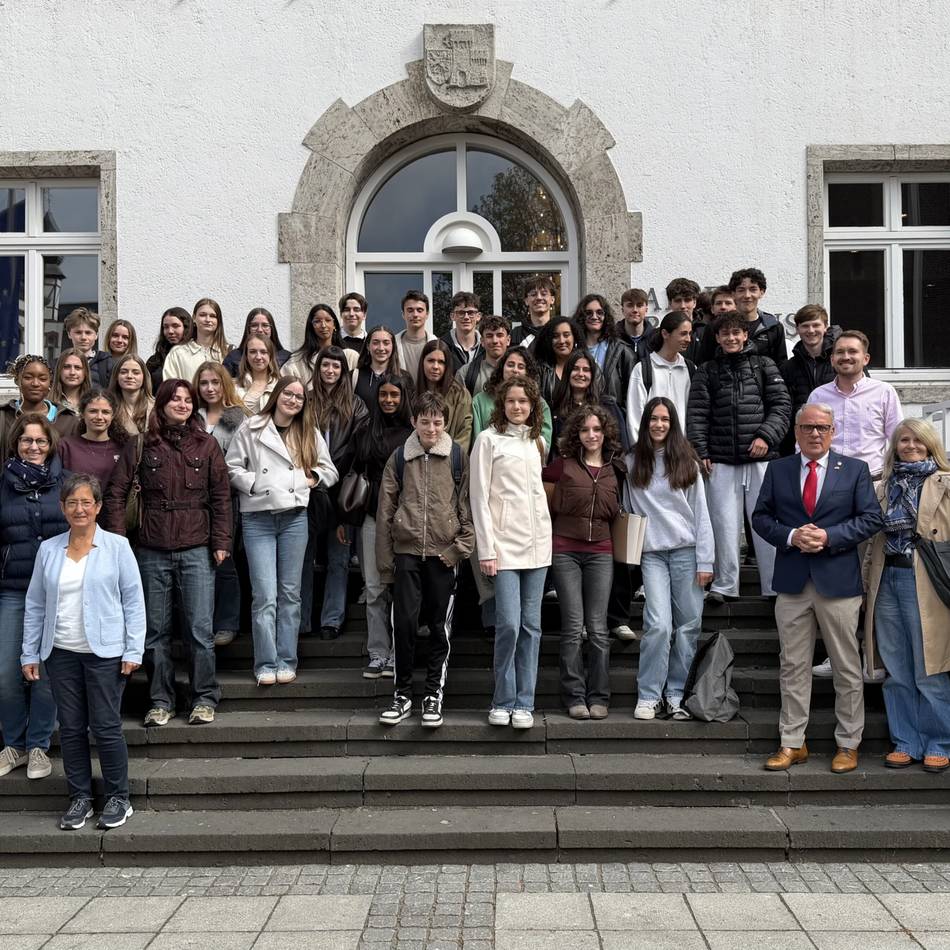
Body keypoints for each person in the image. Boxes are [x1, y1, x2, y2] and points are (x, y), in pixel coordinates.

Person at [752, 403, 883, 773]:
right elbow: (761, 517)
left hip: (838, 581)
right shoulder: (778, 469)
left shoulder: (854, 470)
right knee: (793, 665)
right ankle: (792, 742)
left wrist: (828, 537)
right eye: (808, 427)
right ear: (796, 431)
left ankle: (848, 743)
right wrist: (792, 535)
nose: (815, 433)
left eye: (822, 428)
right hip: (793, 582)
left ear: (833, 432)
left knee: (846, 666)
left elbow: (871, 518)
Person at [102, 379, 232, 727]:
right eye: (175, 399)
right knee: (154, 632)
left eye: (188, 400)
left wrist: (221, 541)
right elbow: (116, 494)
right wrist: (118, 542)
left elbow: (221, 496)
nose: (182, 404)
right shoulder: (141, 444)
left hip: (197, 548)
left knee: (200, 630)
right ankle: (161, 700)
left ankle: (204, 698)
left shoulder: (207, 445)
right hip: (151, 549)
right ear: (161, 404)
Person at [20, 473, 145, 830]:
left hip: (105, 653)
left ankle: (118, 797)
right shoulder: (49, 550)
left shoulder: (117, 547)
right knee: (72, 728)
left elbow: (133, 601)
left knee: (105, 726)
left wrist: (133, 649)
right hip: (60, 653)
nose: (79, 509)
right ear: (62, 508)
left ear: (98, 507)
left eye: (86, 502)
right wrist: (29, 653)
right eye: (72, 503)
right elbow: (35, 604)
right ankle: (80, 798)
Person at [227, 377, 338, 685]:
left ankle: (287, 659)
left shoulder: (308, 431)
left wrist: (309, 479)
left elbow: (329, 470)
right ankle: (265, 662)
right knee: (264, 595)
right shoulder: (251, 427)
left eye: (299, 397)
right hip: (257, 518)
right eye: (288, 393)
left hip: (294, 518)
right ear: (276, 395)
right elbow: (231, 467)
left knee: (290, 593)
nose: (293, 400)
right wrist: (255, 484)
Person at [375, 391, 475, 728]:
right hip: (406, 554)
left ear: (445, 423)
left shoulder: (457, 457)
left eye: (437, 422)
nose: (431, 428)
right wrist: (386, 565)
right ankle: (402, 694)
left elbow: (467, 508)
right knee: (403, 625)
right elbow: (385, 511)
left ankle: (433, 694)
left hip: (443, 557)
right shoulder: (400, 457)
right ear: (413, 422)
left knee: (438, 628)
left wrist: (458, 550)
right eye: (425, 422)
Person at [864, 419, 950, 773]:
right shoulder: (883, 487)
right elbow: (873, 540)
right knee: (896, 669)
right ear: (895, 446)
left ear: (930, 445)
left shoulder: (945, 483)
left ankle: (939, 742)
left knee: (930, 667)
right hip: (887, 577)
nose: (911, 445)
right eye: (903, 440)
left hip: (926, 580)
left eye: (918, 440)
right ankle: (905, 741)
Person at [687, 312, 791, 601]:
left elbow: (782, 406)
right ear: (717, 338)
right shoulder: (706, 371)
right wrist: (701, 451)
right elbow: (697, 414)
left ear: (745, 335)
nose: (731, 338)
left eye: (736, 333)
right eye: (725, 333)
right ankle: (724, 585)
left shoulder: (764, 365)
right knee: (723, 525)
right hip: (720, 460)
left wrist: (766, 436)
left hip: (761, 459)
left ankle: (773, 586)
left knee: (766, 524)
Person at [470, 375, 552, 728]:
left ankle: (524, 703)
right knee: (508, 625)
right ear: (501, 404)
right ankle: (502, 700)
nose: (517, 407)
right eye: (511, 401)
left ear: (533, 406)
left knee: (532, 626)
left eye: (523, 401)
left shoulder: (538, 442)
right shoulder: (487, 440)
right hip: (502, 548)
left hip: (538, 547)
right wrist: (486, 549)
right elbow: (479, 497)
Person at [628, 397, 714, 720]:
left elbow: (702, 515)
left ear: (673, 424)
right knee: (659, 625)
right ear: (645, 422)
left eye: (665, 419)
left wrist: (706, 561)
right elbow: (628, 509)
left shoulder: (687, 462)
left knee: (689, 626)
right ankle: (649, 694)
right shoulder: (632, 462)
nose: (659, 424)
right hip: (651, 555)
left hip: (686, 553)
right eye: (653, 418)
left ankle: (676, 693)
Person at [542, 404, 625, 720]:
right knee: (573, 627)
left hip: (601, 552)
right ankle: (575, 695)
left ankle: (599, 696)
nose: (591, 435)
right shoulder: (561, 466)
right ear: (576, 434)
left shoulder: (616, 469)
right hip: (565, 551)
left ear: (605, 433)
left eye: (597, 429)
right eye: (585, 429)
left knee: (599, 628)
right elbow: (541, 500)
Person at [0, 413, 68, 781]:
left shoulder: (66, 483)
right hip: (12, 589)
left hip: (55, 591)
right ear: (16, 444)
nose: (34, 447)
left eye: (40, 441)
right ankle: (14, 743)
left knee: (44, 671)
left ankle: (38, 744)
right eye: (27, 440)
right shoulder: (3, 484)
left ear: (50, 444)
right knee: (5, 674)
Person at [342, 374, 413, 678]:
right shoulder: (364, 430)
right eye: (383, 395)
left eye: (394, 395)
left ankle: (399, 653)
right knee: (374, 588)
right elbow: (352, 470)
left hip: (405, 520)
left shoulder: (414, 434)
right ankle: (378, 652)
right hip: (372, 517)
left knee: (401, 589)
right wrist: (345, 520)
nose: (388, 400)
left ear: (403, 397)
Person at [304, 346, 368, 639]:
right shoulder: (305, 400)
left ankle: (332, 619)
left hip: (342, 491)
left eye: (336, 366)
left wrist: (335, 475)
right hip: (308, 489)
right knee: (303, 559)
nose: (330, 371)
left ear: (344, 371)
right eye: (325, 366)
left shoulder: (356, 405)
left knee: (338, 558)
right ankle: (302, 620)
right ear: (318, 369)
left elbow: (358, 448)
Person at [194, 361, 249, 649]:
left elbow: (246, 460)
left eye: (215, 382)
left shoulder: (239, 418)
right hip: (192, 500)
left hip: (226, 499)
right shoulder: (192, 416)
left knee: (224, 559)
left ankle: (227, 622)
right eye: (204, 383)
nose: (210, 388)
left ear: (224, 384)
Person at [807, 330, 902, 481]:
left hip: (872, 480)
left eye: (852, 351)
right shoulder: (818, 396)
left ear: (865, 359)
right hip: (828, 481)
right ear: (832, 359)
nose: (846, 357)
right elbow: (805, 440)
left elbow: (897, 439)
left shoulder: (884, 392)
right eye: (840, 352)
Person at [779, 304, 841, 456]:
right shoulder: (788, 367)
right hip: (801, 441)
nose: (811, 330)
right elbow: (784, 407)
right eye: (805, 326)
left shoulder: (840, 362)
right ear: (797, 329)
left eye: (816, 325)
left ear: (825, 327)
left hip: (837, 439)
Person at [626, 311, 695, 444]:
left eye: (689, 333)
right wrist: (641, 451)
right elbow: (635, 417)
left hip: (682, 451)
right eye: (683, 334)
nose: (688, 339)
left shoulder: (691, 369)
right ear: (665, 334)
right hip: (650, 452)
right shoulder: (642, 369)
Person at [696, 267, 788, 367]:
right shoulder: (716, 326)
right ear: (733, 294)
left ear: (761, 292)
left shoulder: (773, 327)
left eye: (753, 289)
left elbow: (781, 365)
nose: (747, 295)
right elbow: (704, 365)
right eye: (741, 290)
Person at [549, 349, 629, 461]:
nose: (580, 374)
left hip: (603, 468)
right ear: (567, 373)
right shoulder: (557, 409)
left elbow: (622, 446)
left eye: (586, 370)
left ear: (592, 375)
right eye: (575, 369)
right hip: (567, 469)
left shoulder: (608, 406)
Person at [471, 346, 553, 448]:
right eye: (510, 365)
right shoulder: (480, 401)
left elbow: (544, 444)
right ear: (502, 368)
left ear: (528, 372)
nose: (515, 370)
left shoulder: (539, 403)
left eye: (521, 367)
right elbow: (477, 441)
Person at [58, 389, 131, 489]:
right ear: (82, 414)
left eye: (105, 412)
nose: (99, 417)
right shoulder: (65, 446)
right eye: (93, 411)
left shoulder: (123, 447)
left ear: (113, 415)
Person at [572, 294, 637, 404]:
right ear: (581, 316)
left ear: (606, 316)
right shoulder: (573, 349)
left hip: (610, 412)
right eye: (588, 313)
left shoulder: (622, 351)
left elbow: (631, 394)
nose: (594, 317)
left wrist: (620, 412)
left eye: (599, 312)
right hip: (578, 410)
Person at [416, 339, 473, 452]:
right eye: (431, 360)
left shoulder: (460, 394)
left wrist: (448, 457)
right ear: (423, 362)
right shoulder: (414, 392)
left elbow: (464, 433)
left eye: (441, 362)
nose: (435, 366)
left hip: (449, 458)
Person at [282, 303, 359, 385]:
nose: (323, 325)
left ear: (334, 325)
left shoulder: (350, 357)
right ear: (311, 326)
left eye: (328, 320)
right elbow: (282, 385)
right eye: (317, 321)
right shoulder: (298, 360)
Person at [0, 355, 58, 459]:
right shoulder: (3, 417)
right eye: (28, 377)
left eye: (42, 379)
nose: (35, 383)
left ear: (50, 382)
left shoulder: (67, 420)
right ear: (17, 380)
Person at [163, 298, 231, 381]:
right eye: (202, 315)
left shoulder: (228, 352)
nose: (207, 320)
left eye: (212, 316)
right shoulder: (178, 353)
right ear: (194, 318)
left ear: (218, 321)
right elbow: (170, 386)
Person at [222, 307, 291, 377]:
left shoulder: (286, 357)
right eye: (254, 325)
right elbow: (224, 382)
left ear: (272, 329)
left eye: (265, 325)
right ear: (248, 329)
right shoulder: (233, 357)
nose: (260, 330)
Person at [352, 325, 411, 406]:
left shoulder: (404, 377)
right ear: (368, 346)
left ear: (393, 346)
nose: (381, 348)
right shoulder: (354, 376)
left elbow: (409, 410)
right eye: (375, 343)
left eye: (386, 343)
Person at [456, 315, 512, 398]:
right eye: (489, 336)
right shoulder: (465, 373)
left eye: (499, 335)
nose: (495, 341)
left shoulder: (519, 371)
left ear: (508, 340)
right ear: (482, 341)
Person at [532, 315, 582, 403]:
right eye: (555, 336)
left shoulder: (588, 367)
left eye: (566, 335)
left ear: (574, 338)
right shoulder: (540, 370)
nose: (561, 341)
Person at [394, 291, 436, 388]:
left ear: (427, 314)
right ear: (403, 314)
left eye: (420, 310)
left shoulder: (437, 345)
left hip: (429, 396)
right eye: (410, 310)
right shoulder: (393, 345)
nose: (415, 314)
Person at [146, 307, 193, 392]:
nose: (170, 331)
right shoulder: (154, 361)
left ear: (186, 327)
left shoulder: (195, 356)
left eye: (175, 326)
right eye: (166, 327)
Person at [50, 348, 92, 439]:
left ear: (85, 372)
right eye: (66, 367)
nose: (72, 372)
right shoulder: (48, 403)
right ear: (59, 370)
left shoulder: (93, 402)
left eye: (77, 368)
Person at [108, 354, 154, 436]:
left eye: (136, 373)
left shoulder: (156, 406)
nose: (129, 376)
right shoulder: (107, 406)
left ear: (144, 377)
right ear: (116, 376)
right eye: (123, 372)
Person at [64, 308, 111, 387]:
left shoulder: (107, 363)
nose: (83, 337)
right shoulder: (59, 364)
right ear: (69, 334)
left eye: (88, 333)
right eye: (78, 332)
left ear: (96, 335)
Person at [235, 334, 281, 413]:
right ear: (246, 356)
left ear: (270, 355)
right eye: (253, 352)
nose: (258, 357)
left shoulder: (280, 386)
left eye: (263, 352)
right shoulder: (234, 387)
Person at [664, 278, 703, 364]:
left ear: (694, 302)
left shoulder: (705, 331)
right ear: (670, 303)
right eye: (678, 301)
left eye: (687, 300)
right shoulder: (661, 333)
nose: (683, 306)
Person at [440, 291, 482, 372]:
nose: (466, 317)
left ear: (478, 316)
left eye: (471, 313)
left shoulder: (486, 346)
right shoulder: (442, 346)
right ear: (452, 316)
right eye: (461, 313)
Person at [511, 276, 557, 347]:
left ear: (552, 299)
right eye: (533, 294)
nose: (539, 298)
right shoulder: (516, 334)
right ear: (526, 301)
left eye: (544, 294)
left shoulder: (559, 331)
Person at [617, 287, 654, 361]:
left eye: (639, 305)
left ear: (646, 309)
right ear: (622, 310)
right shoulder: (612, 339)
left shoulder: (655, 338)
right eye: (630, 305)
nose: (635, 310)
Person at [99, 318, 139, 383]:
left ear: (131, 341)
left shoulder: (138, 366)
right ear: (108, 338)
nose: (119, 340)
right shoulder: (98, 364)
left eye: (125, 337)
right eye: (115, 335)